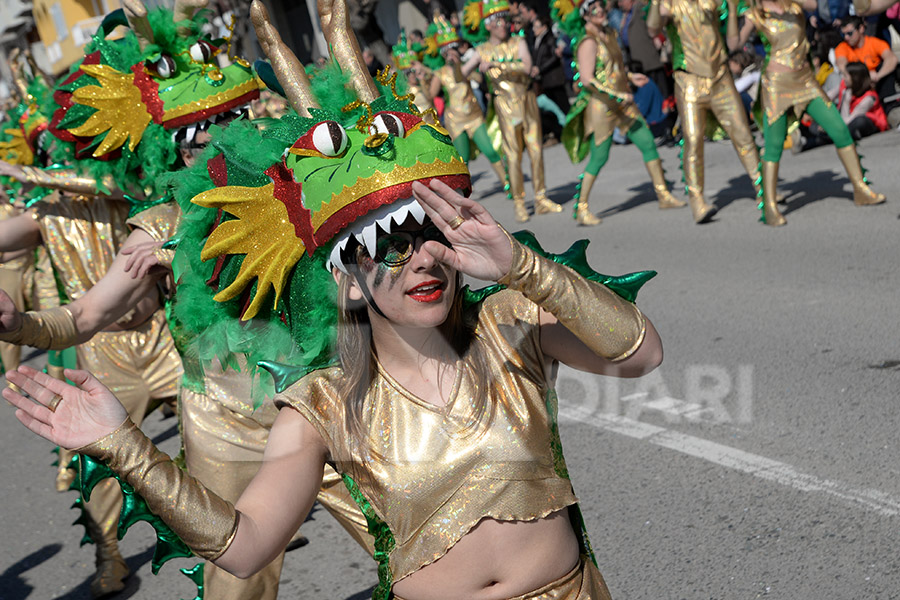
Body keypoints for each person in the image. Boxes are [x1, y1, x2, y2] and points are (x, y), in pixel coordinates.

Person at [4, 1, 664, 598]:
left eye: (432, 236)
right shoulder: (174, 232)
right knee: (245, 583)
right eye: (388, 247)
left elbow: (637, 352)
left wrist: (520, 264)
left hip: (549, 570)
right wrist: (111, 430)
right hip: (234, 408)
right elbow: (90, 316)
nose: (421, 259)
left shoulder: (497, 317)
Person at [732, 0, 886, 226]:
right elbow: (734, 42)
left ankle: (861, 189)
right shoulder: (756, 14)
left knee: (839, 129)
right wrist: (735, 8)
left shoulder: (794, 6)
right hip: (777, 87)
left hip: (805, 82)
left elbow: (814, 4)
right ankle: (770, 207)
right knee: (774, 147)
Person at [555, 0, 685, 225]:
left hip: (623, 102)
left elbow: (615, 69)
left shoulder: (609, 33)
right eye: (592, 8)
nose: (600, 11)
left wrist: (631, 77)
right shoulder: (588, 41)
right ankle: (581, 207)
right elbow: (587, 80)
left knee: (647, 142)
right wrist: (618, 95)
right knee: (600, 157)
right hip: (603, 107)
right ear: (584, 15)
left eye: (601, 6)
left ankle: (663, 194)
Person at [647, 0, 769, 224]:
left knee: (742, 134)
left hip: (720, 78)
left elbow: (732, 43)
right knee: (693, 141)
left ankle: (764, 187)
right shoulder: (671, 4)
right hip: (689, 80)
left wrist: (732, 10)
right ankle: (697, 201)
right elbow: (653, 28)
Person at [462, 0, 564, 222]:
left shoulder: (518, 41)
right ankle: (519, 202)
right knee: (514, 154)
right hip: (505, 105)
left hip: (526, 100)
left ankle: (541, 197)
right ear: (488, 25)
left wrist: (497, 65)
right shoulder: (481, 50)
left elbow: (527, 67)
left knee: (536, 150)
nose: (503, 25)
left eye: (505, 20)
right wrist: (471, 71)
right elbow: (462, 73)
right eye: (498, 21)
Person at [423, 13, 508, 186]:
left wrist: (466, 70)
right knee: (463, 159)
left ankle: (508, 184)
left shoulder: (466, 68)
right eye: (447, 51)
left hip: (474, 116)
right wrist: (423, 79)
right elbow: (430, 95)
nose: (451, 54)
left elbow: (478, 79)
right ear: (443, 54)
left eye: (453, 49)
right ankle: (464, 193)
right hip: (456, 120)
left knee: (491, 151)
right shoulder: (441, 73)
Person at [834, 15, 898, 102]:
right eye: (843, 34)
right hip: (858, 86)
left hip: (877, 82)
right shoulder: (842, 47)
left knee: (888, 68)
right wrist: (866, 77)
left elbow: (892, 59)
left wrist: (878, 76)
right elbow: (842, 65)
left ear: (861, 29)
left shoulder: (874, 42)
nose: (846, 37)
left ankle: (889, 104)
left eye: (849, 33)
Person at [836, 61, 890, 137]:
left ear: (855, 77)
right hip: (849, 122)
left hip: (871, 124)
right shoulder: (849, 92)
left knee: (859, 121)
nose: (843, 78)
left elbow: (849, 120)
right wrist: (846, 101)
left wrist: (835, 127)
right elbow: (844, 118)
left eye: (845, 76)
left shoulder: (869, 98)